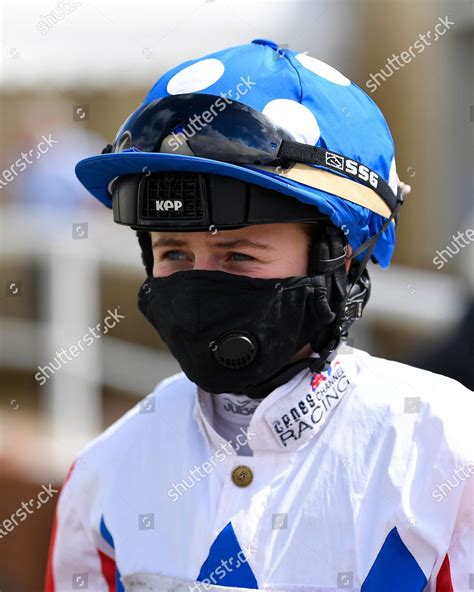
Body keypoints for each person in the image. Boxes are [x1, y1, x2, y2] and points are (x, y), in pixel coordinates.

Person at [45, 40, 473, 592]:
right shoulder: (107, 470)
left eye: (239, 255)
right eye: (174, 253)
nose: (200, 283)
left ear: (340, 259)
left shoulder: (449, 454)